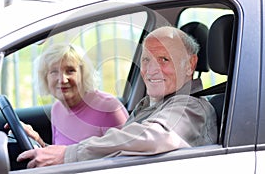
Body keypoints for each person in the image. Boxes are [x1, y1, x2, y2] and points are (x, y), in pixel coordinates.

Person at [17, 26, 218, 168]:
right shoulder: (151, 105)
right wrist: (44, 150)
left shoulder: (191, 107)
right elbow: (117, 153)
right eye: (146, 60)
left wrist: (69, 155)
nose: (151, 70)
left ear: (190, 64)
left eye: (164, 59)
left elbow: (155, 136)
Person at [12, 43, 129, 147]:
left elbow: (129, 158)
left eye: (70, 70)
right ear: (45, 78)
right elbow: (63, 156)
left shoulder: (109, 108)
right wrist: (38, 141)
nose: (62, 79)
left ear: (83, 74)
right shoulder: (56, 109)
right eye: (54, 71)